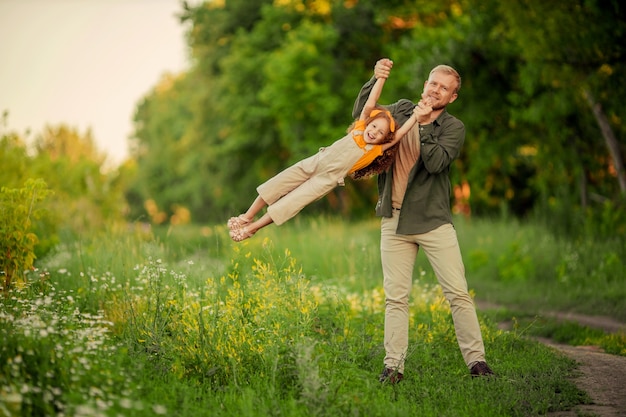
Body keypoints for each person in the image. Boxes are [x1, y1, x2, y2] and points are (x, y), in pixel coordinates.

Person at [352, 58, 494, 383]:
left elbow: (435, 163)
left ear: (452, 97)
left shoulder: (453, 128)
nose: (436, 90)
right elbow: (363, 115)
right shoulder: (402, 110)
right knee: (396, 297)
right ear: (425, 84)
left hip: (433, 221)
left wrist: (426, 123)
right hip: (394, 220)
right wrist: (375, 79)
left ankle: (477, 363)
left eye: (444, 88)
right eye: (434, 83)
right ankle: (393, 368)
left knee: (457, 292)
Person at [228, 71, 430, 242]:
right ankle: (247, 216)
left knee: (291, 202)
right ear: (368, 122)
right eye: (374, 126)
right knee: (277, 183)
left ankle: (254, 228)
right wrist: (381, 78)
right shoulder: (359, 129)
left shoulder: (376, 150)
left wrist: (416, 117)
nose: (374, 132)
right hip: (315, 162)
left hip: (327, 180)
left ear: (384, 140)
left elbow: (401, 134)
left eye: (380, 134)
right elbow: (371, 103)